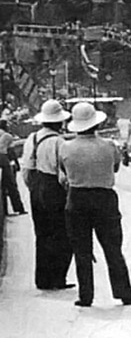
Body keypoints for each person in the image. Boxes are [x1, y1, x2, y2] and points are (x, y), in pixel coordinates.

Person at [59, 102, 131, 308]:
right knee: (113, 249)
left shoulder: (66, 148)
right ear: (96, 124)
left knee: (82, 250)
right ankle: (124, 293)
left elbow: (64, 172)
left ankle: (86, 296)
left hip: (77, 199)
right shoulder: (109, 146)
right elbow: (115, 167)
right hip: (104, 198)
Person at [21, 99, 74, 290]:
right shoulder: (60, 142)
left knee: (42, 235)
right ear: (60, 122)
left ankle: (42, 279)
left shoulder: (32, 139)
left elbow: (26, 170)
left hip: (37, 189)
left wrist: (33, 189)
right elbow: (63, 174)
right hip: (54, 190)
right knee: (62, 234)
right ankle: (58, 277)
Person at [0, 118, 26, 215]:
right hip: (3, 158)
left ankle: (5, 211)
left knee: (2, 186)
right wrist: (17, 164)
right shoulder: (7, 136)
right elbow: (11, 152)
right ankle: (19, 208)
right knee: (11, 185)